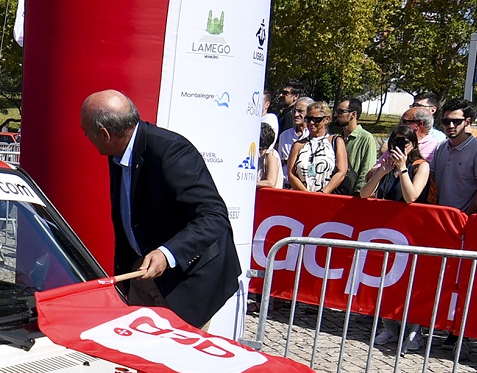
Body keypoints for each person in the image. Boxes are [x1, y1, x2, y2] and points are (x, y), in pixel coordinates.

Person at [80, 89, 241, 330]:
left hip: (185, 281)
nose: (85, 137)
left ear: (104, 134)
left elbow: (213, 217)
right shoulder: (117, 150)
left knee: (175, 360)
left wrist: (168, 253)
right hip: (141, 274)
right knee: (137, 355)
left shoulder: (171, 151)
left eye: (86, 132)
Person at [428, 97, 477, 211]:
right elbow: (431, 179)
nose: (451, 125)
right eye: (446, 121)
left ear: (467, 122)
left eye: (456, 121)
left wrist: (466, 217)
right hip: (438, 216)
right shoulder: (441, 147)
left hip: (463, 219)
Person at [359, 124, 437, 204]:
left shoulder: (421, 166)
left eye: (405, 143)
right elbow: (363, 194)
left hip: (410, 215)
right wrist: (381, 173)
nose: (400, 147)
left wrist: (402, 169)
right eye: (395, 142)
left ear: (413, 145)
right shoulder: (387, 165)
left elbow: (410, 198)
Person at [286, 101, 344, 193]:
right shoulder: (298, 145)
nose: (311, 123)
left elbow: (341, 172)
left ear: (327, 119)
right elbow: (291, 174)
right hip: (302, 197)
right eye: (309, 119)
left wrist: (322, 193)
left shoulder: (336, 142)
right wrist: (307, 195)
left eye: (317, 119)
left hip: (327, 198)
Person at [333, 97, 378, 195]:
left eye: (340, 112)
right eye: (336, 111)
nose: (335, 115)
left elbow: (367, 170)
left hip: (353, 197)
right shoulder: (336, 138)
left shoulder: (366, 138)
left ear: (353, 114)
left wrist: (359, 193)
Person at [274, 95, 312, 161]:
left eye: (300, 111)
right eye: (294, 111)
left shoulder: (314, 135)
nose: (296, 115)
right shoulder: (284, 135)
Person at [257, 120, 284, 189]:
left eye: (261, 149)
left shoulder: (271, 154)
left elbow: (270, 182)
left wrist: (249, 183)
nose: (258, 152)